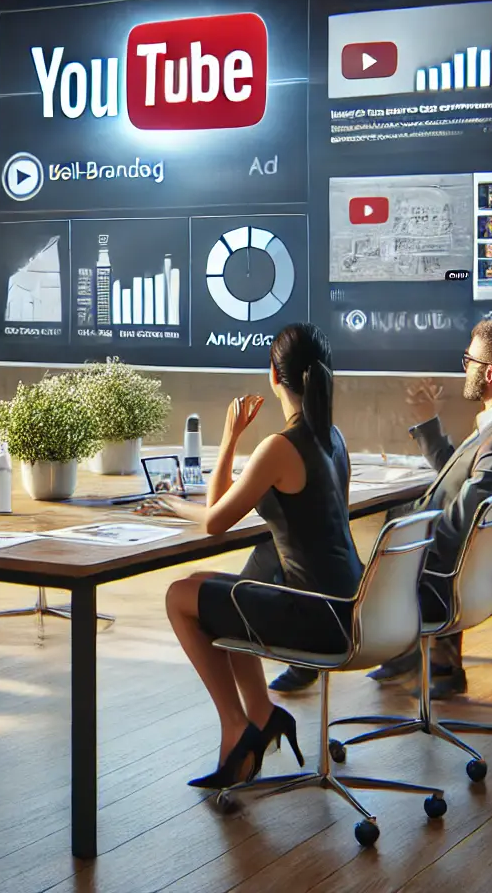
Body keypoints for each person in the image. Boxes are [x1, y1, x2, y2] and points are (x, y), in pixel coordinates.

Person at [145, 324, 357, 789]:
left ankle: (236, 726)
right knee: (218, 584)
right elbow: (227, 507)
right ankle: (262, 715)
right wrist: (232, 443)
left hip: (315, 617)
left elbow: (214, 520)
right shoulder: (332, 438)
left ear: (273, 375)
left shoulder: (280, 447)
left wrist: (177, 498)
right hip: (350, 606)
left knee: (180, 597)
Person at [370, 319, 492, 699]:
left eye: (468, 359)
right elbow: (462, 477)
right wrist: (428, 422)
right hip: (478, 572)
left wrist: (385, 524)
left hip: (459, 579)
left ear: (489, 372)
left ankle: (312, 654)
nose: (463, 367)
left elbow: (455, 531)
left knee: (337, 540)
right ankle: (431, 660)